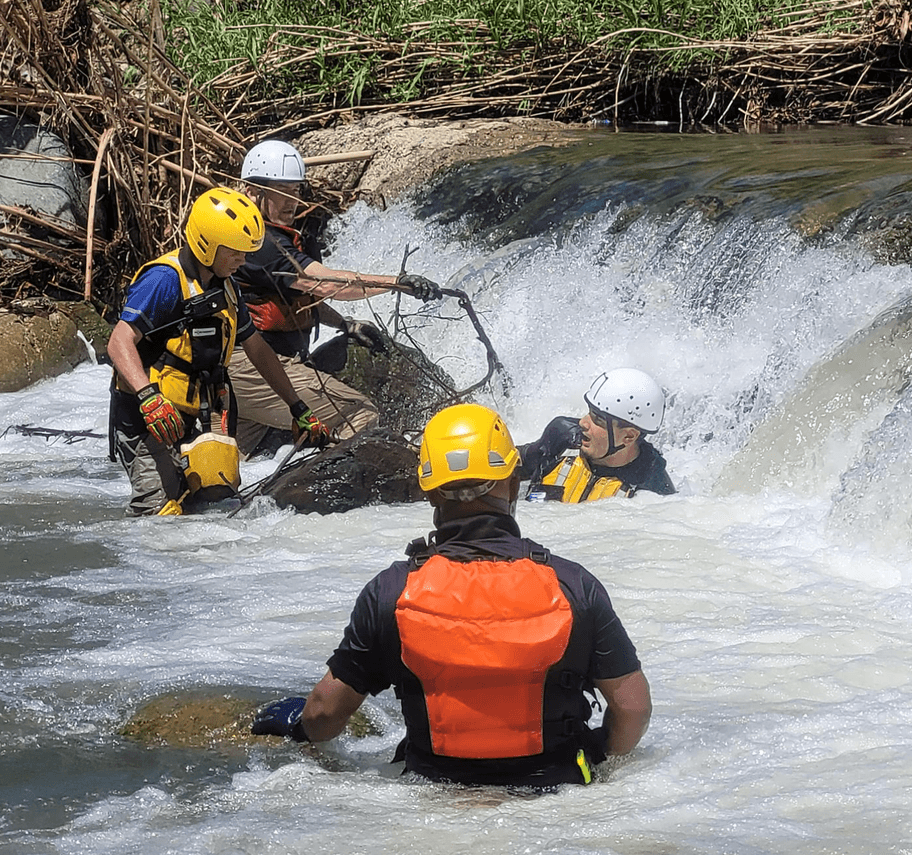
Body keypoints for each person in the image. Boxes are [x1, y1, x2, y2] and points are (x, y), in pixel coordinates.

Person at [251, 403, 652, 788]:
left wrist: (298, 726)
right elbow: (633, 708)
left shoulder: (391, 592)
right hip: (556, 798)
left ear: (430, 493)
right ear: (513, 484)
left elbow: (325, 714)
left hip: (432, 795)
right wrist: (600, 757)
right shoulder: (573, 586)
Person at [106, 187, 330, 517]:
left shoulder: (227, 284)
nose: (244, 260)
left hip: (198, 414)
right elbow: (118, 342)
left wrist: (298, 407)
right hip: (146, 416)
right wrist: (148, 397)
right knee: (159, 515)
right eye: (236, 252)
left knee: (217, 508)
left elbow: (258, 350)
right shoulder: (164, 281)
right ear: (207, 245)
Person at [228, 139, 441, 456]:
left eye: (296, 190)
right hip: (253, 366)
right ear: (252, 191)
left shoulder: (271, 235)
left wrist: (345, 324)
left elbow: (297, 299)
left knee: (244, 464)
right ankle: (335, 500)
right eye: (280, 190)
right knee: (359, 414)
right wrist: (397, 283)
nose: (291, 200)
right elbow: (325, 284)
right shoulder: (258, 241)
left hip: (254, 369)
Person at [517, 368, 676, 502]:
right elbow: (508, 465)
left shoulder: (652, 491)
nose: (583, 423)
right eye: (589, 413)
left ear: (629, 436)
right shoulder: (563, 437)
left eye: (598, 420)